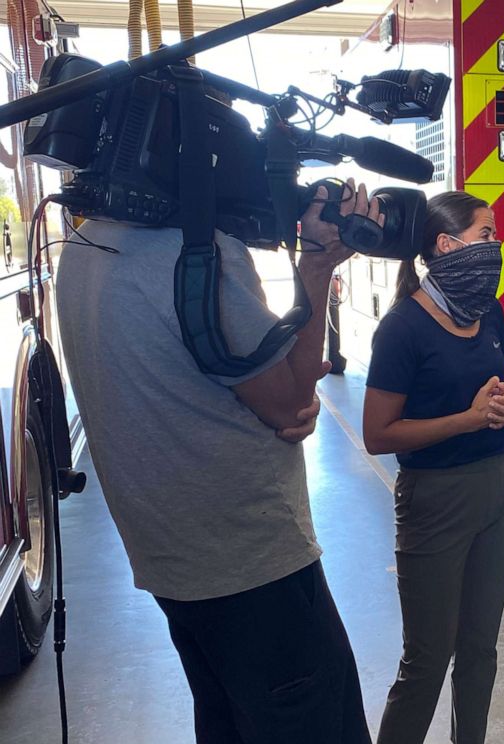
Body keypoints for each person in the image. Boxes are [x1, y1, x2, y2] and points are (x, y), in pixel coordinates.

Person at [56, 179, 379, 744]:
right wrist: (318, 267)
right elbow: (291, 402)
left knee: (229, 719)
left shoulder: (85, 247)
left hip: (172, 563)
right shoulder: (198, 254)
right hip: (250, 561)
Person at [363, 191, 504, 744]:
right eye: (487, 235)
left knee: (480, 650)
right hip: (434, 500)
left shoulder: (488, 311)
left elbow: (503, 386)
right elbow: (377, 435)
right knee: (428, 661)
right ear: (446, 245)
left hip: (498, 489)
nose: (496, 246)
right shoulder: (402, 329)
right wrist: (470, 418)